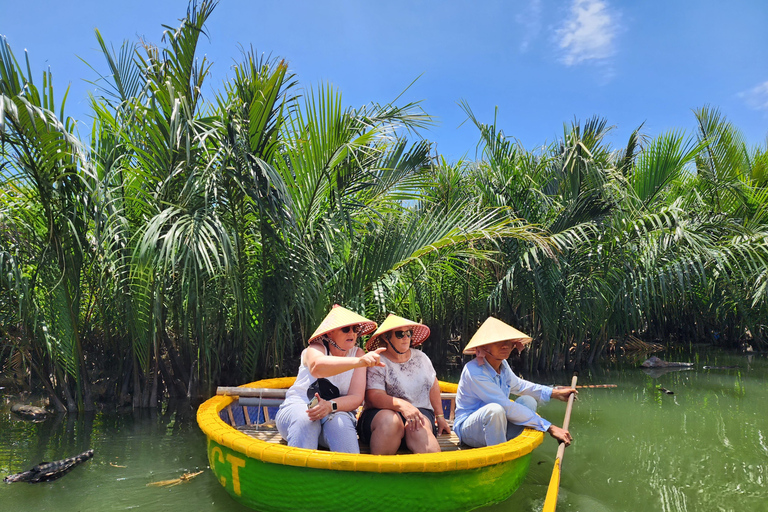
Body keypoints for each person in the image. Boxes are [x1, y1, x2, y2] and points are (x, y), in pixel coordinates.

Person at [275, 305, 386, 453]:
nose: (352, 333)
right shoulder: (315, 348)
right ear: (330, 333)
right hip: (299, 408)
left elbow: (356, 397)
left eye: (355, 329)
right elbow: (317, 367)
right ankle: (300, 475)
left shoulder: (359, 354)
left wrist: (330, 406)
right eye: (346, 329)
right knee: (307, 419)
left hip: (335, 411)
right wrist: (360, 362)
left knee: (340, 425)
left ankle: (349, 475)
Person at [453, 317, 576, 448]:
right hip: (470, 430)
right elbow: (504, 406)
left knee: (528, 401)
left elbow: (519, 386)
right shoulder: (474, 371)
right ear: (484, 347)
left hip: (497, 424)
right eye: (498, 342)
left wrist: (554, 393)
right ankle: (499, 453)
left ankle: (510, 445)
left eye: (507, 341)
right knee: (495, 410)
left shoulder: (503, 365)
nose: (505, 346)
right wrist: (550, 427)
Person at [357, 314, 451, 454]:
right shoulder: (378, 361)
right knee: (391, 423)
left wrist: (440, 417)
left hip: (419, 412)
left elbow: (433, 385)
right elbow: (373, 396)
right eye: (400, 334)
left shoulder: (421, 357)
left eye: (409, 333)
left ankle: (437, 472)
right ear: (386, 338)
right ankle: (380, 471)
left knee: (419, 427)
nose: (406, 337)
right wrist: (403, 406)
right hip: (382, 414)